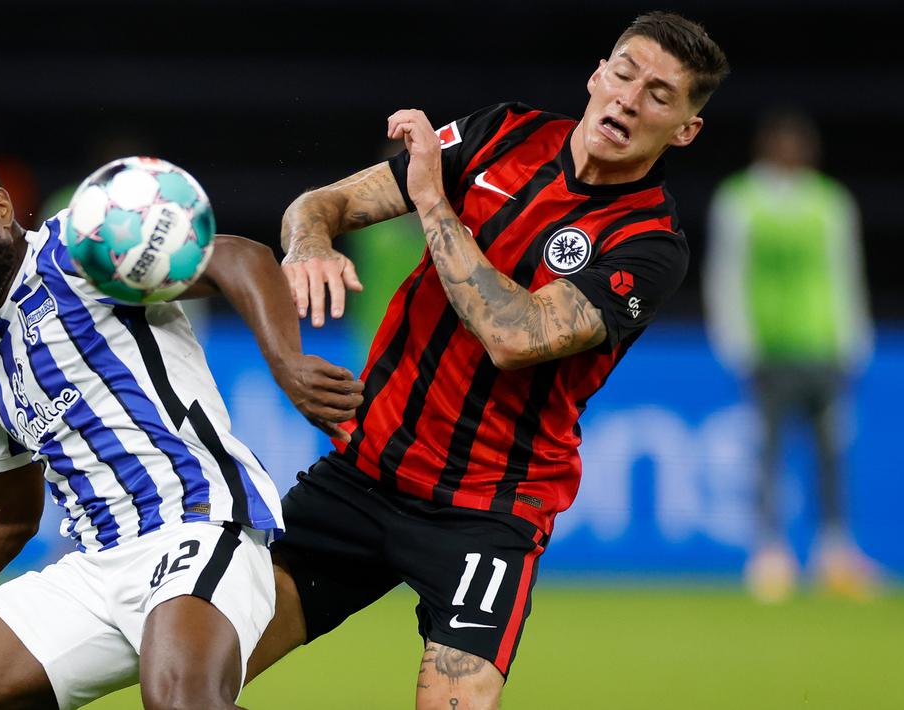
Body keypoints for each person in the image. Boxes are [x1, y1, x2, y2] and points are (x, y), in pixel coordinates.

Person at [247, 11, 729, 709]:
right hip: (362, 475)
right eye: (623, 74)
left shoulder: (650, 245)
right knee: (198, 670)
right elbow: (319, 203)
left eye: (659, 94)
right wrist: (308, 244)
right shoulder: (499, 133)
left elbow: (515, 337)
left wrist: (431, 202)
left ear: (685, 129)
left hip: (486, 513)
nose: (628, 98)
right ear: (597, 74)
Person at [0, 144, 363, 710]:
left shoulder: (78, 246)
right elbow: (5, 518)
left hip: (197, 521)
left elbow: (238, 258)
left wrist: (287, 363)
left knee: (182, 702)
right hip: (95, 569)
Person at [703, 110, 878, 603]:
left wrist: (854, 339)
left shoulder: (830, 202)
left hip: (823, 346)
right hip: (769, 348)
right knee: (769, 454)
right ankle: (769, 553)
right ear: (766, 148)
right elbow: (726, 274)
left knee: (829, 455)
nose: (792, 153)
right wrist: (736, 341)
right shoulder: (741, 200)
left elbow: (846, 272)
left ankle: (835, 552)